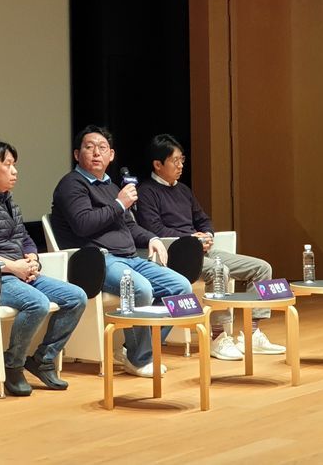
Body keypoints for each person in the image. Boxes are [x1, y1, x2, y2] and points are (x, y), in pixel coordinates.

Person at [50, 125, 192, 378]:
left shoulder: (111, 186)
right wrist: (119, 203)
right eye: (89, 147)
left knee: (181, 287)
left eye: (102, 148)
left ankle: (133, 349)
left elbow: (129, 226)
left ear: (112, 155)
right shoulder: (72, 184)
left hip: (129, 258)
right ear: (76, 154)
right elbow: (84, 224)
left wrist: (152, 238)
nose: (96, 153)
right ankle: (140, 359)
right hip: (95, 259)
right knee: (140, 289)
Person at [0, 140, 87, 396]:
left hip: (21, 273)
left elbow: (23, 237)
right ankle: (13, 364)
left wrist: (33, 258)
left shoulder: (8, 201)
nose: (15, 172)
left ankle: (43, 360)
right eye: (8, 165)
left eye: (15, 165)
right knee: (37, 303)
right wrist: (14, 267)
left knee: (76, 297)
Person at [136, 133, 286, 361]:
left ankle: (251, 333)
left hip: (202, 249)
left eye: (182, 160)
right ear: (158, 164)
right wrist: (190, 238)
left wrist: (207, 235)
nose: (180, 165)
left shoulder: (183, 190)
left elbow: (203, 219)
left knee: (261, 268)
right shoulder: (146, 192)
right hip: (175, 255)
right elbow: (154, 229)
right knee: (219, 271)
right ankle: (218, 337)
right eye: (174, 161)